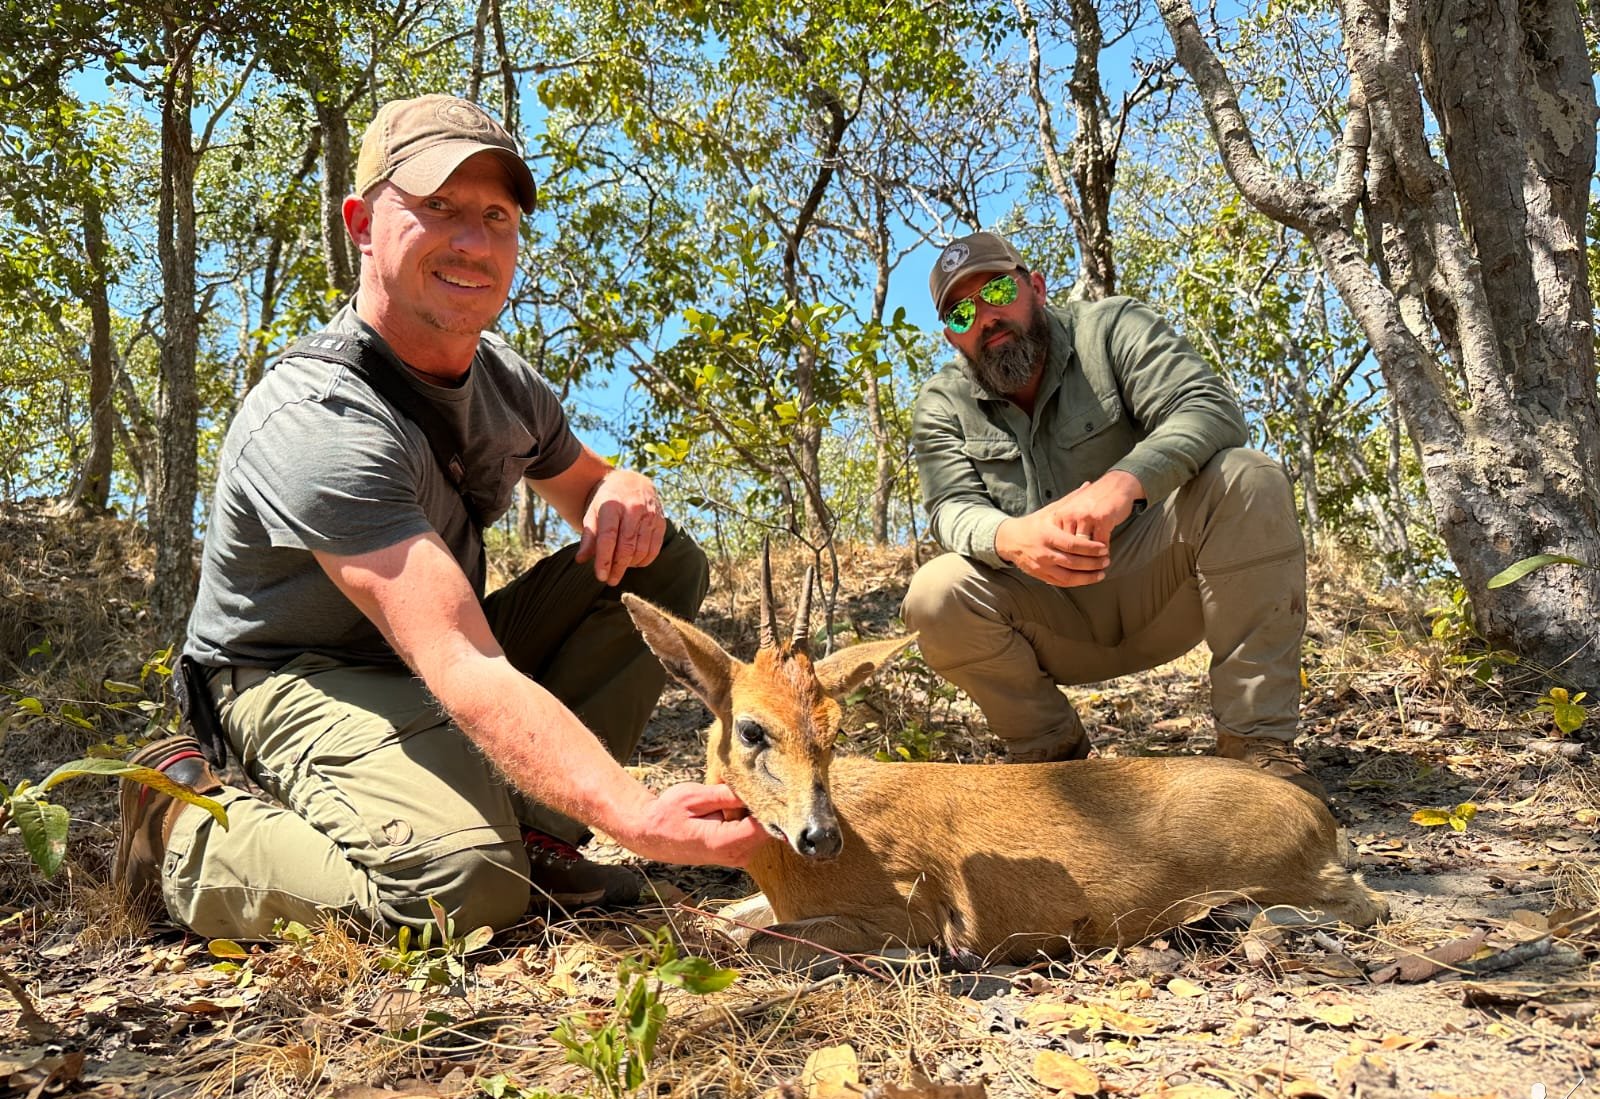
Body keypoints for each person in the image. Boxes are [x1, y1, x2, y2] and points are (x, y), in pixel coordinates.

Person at [112, 94, 771, 939]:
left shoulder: (504, 383)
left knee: (659, 563)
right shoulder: (316, 417)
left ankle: (538, 834)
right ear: (360, 223)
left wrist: (624, 487)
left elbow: (592, 490)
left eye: (496, 215)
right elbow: (461, 660)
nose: (473, 241)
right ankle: (179, 829)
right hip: (295, 672)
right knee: (463, 887)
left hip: (423, 648)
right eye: (438, 208)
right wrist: (631, 812)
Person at [901, 231, 1325, 799]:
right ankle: (1052, 760)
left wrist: (1124, 483)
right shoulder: (940, 403)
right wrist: (1011, 537)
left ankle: (1258, 752)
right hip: (1049, 619)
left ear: (1036, 286)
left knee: (1248, 476)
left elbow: (1209, 408)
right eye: (960, 311)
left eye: (999, 289)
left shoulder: (1112, 328)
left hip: (1168, 589)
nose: (986, 316)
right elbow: (950, 508)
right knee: (935, 592)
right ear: (951, 333)